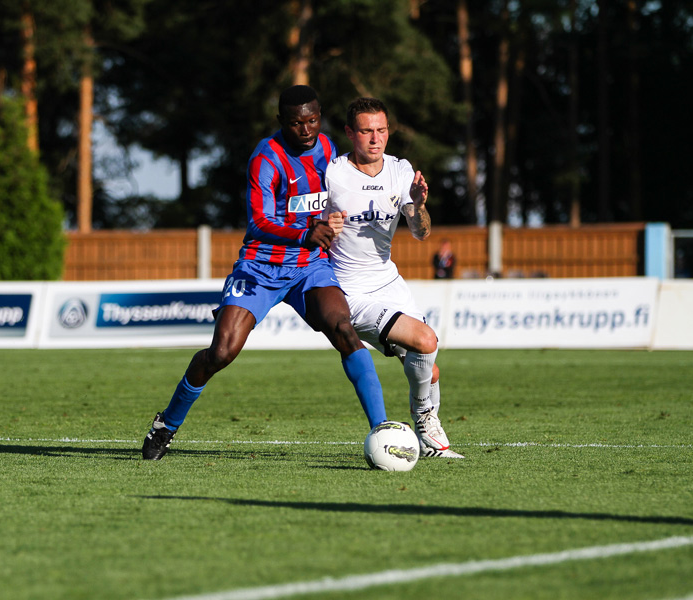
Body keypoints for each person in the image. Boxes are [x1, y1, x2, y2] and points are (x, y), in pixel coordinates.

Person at [142, 85, 389, 460]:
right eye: (295, 123)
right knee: (221, 352)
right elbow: (258, 222)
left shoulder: (328, 149)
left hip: (309, 266)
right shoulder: (266, 158)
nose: (305, 130)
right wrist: (306, 232)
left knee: (344, 330)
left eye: (312, 121)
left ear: (320, 117)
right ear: (281, 122)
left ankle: (382, 431)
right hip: (261, 267)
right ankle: (167, 424)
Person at [324, 97, 463, 459]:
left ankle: (431, 446)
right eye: (367, 131)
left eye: (382, 130)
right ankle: (423, 417)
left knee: (429, 373)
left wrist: (417, 206)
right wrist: (322, 226)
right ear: (349, 133)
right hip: (350, 291)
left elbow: (422, 233)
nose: (375, 138)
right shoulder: (332, 173)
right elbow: (302, 221)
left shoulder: (400, 171)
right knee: (425, 339)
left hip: (389, 282)